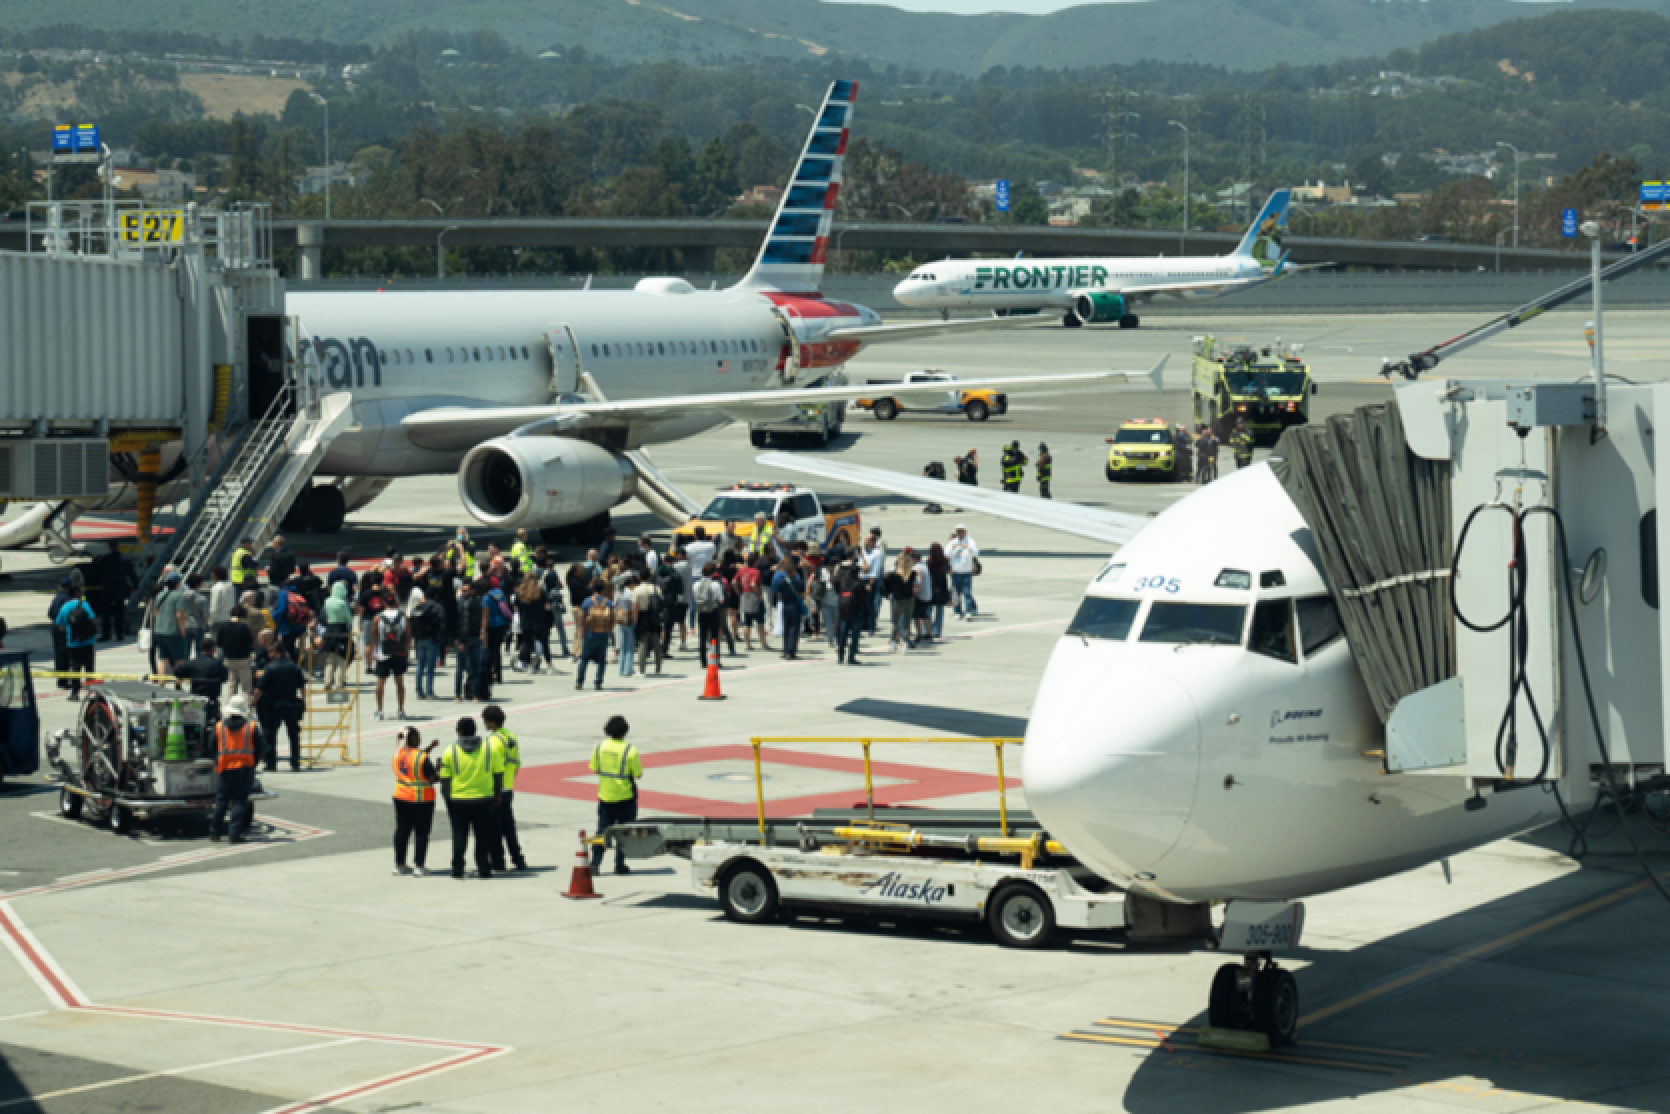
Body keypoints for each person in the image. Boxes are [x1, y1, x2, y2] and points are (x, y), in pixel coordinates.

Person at [437, 716, 504, 880]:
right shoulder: (490, 748)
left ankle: (458, 869)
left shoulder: (450, 750)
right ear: (475, 730)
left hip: (458, 800)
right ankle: (483, 868)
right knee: (483, 836)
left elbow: (445, 780)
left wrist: (448, 799)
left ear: (460, 732)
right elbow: (498, 774)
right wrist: (497, 794)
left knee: (459, 835)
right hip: (484, 800)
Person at [588, 715, 642, 875]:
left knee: (601, 831)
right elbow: (638, 774)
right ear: (625, 732)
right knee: (624, 832)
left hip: (605, 796)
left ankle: (595, 864)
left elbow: (594, 768)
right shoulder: (630, 750)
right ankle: (619, 865)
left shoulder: (598, 747)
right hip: (626, 797)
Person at [208, 694, 261, 844]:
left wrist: (218, 758)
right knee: (239, 802)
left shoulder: (218, 727)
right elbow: (262, 748)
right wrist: (253, 762)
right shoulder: (251, 727)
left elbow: (211, 746)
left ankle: (214, 833)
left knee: (221, 801)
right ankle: (234, 835)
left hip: (225, 769)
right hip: (245, 769)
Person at [482, 705, 527, 873]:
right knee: (509, 827)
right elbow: (517, 763)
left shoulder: (492, 741)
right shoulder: (510, 737)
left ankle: (498, 861)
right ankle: (518, 859)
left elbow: (492, 767)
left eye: (485, 721)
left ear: (491, 722)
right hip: (509, 786)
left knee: (495, 828)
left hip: (496, 789)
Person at [391, 726, 440, 876]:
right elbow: (431, 778)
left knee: (402, 830)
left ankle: (399, 865)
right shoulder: (422, 757)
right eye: (417, 736)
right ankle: (419, 866)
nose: (419, 738)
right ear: (411, 738)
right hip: (420, 799)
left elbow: (413, 758)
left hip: (400, 796)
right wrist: (438, 770)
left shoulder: (398, 753)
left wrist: (430, 747)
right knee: (421, 832)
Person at [252, 646, 306, 772]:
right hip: (291, 704)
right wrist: (304, 702)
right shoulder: (294, 666)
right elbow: (302, 686)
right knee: (293, 735)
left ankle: (271, 764)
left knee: (271, 734)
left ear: (276, 652)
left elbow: (259, 689)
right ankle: (295, 763)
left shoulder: (269, 668)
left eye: (271, 651)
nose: (269, 654)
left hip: (273, 705)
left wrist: (253, 702)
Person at [372, 598, 411, 720]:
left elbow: (374, 637)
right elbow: (408, 636)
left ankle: (379, 712)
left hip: (383, 654)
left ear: (384, 603)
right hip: (399, 654)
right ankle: (400, 711)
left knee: (380, 685)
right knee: (399, 683)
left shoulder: (378, 617)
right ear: (395, 603)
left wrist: (375, 625)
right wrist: (406, 652)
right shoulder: (404, 616)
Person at [56, 585, 97, 697]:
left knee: (75, 667)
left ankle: (74, 692)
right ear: (78, 593)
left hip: (73, 643)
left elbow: (59, 625)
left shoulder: (65, 607)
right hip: (88, 641)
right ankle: (91, 691)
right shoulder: (84, 604)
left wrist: (70, 629)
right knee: (89, 667)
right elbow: (93, 619)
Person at [174, 636, 229, 719]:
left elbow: (177, 671)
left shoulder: (193, 663)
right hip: (212, 699)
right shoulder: (218, 664)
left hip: (196, 699)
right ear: (212, 649)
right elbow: (225, 678)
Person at [576, 580, 615, 690]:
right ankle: (598, 683)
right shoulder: (608, 602)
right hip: (603, 634)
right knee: (602, 660)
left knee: (584, 659)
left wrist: (583, 631)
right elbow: (613, 619)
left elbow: (582, 618)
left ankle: (579, 682)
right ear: (603, 589)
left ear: (593, 589)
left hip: (589, 634)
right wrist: (609, 631)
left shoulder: (587, 601)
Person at [94, 542, 135, 642]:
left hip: (108, 589)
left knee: (106, 614)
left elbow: (98, 571)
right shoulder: (125, 559)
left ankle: (106, 635)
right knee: (119, 614)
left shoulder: (105, 559)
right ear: (118, 547)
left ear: (109, 547)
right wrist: (136, 586)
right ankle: (119, 635)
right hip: (120, 589)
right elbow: (132, 574)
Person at [409, 588, 445, 700]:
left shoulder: (418, 607)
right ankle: (429, 692)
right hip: (432, 639)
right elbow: (442, 624)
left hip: (419, 639)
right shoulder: (437, 607)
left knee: (420, 664)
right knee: (430, 666)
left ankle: (419, 692)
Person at [454, 581, 487, 702]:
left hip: (466, 638)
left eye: (466, 590)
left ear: (472, 590)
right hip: (476, 638)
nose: (464, 592)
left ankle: (457, 694)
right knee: (475, 667)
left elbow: (465, 624)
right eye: (463, 590)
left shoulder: (466, 604)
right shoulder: (479, 603)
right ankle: (475, 694)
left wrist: (461, 641)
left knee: (460, 667)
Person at [152, 571, 190, 674]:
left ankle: (161, 684)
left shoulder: (159, 595)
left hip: (159, 631)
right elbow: (179, 615)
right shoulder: (179, 596)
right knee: (179, 659)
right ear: (177, 583)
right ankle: (178, 685)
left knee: (163, 659)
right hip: (174, 632)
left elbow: (155, 614)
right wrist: (183, 630)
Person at [319, 581, 354, 689]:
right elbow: (349, 619)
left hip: (329, 630)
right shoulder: (342, 603)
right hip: (341, 630)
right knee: (340, 658)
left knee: (330, 658)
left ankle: (327, 682)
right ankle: (338, 683)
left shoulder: (327, 601)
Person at [692, 563, 727, 669]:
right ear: (713, 573)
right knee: (714, 637)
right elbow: (721, 600)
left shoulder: (696, 584)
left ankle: (703, 661)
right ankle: (714, 660)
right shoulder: (715, 584)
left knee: (702, 637)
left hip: (701, 612)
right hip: (713, 612)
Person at [217, 605, 257, 696]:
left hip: (229, 658)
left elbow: (219, 643)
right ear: (242, 616)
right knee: (246, 686)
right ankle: (246, 707)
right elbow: (249, 643)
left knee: (231, 683)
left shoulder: (223, 626)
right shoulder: (244, 627)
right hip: (243, 658)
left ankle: (231, 705)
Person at [773, 556, 806, 660]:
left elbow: (779, 595)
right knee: (794, 629)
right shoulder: (799, 582)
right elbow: (803, 596)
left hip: (785, 606)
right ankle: (791, 652)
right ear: (794, 570)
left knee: (786, 629)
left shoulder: (781, 583)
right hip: (795, 607)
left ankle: (786, 649)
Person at [632, 571, 665, 675]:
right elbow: (661, 606)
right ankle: (658, 669)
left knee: (642, 644)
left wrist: (635, 623)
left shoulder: (637, 590)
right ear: (649, 577)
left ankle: (642, 670)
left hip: (642, 617)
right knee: (657, 645)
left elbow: (635, 608)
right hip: (655, 618)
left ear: (639, 577)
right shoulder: (657, 588)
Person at [683, 528, 716, 627]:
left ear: (695, 535)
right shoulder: (711, 545)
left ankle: (692, 627)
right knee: (707, 599)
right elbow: (714, 556)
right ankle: (707, 623)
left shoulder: (689, 546)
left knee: (692, 602)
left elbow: (687, 560)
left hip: (693, 575)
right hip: (707, 575)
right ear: (704, 534)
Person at [886, 553, 917, 651]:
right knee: (907, 623)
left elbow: (885, 579)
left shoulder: (894, 574)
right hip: (909, 599)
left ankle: (894, 642)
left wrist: (889, 591)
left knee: (895, 622)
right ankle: (905, 642)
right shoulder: (912, 573)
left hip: (898, 600)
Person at [948, 525, 980, 619]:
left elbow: (976, 553)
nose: (959, 533)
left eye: (961, 531)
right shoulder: (953, 542)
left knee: (967, 593)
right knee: (956, 593)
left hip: (966, 571)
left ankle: (968, 612)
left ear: (965, 531)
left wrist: (967, 547)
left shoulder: (971, 541)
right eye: (958, 531)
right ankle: (957, 612)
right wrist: (955, 549)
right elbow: (947, 553)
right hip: (955, 571)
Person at [46, 578, 72, 687]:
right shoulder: (67, 599)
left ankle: (60, 680)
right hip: (63, 628)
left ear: (60, 586)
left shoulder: (56, 598)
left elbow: (50, 613)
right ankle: (63, 681)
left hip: (54, 627)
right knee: (64, 655)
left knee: (58, 654)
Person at [613, 572, 639, 678]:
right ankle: (628, 669)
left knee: (623, 645)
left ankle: (621, 669)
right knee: (630, 646)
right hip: (629, 620)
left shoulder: (620, 592)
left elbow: (616, 605)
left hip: (621, 619)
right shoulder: (631, 593)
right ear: (631, 583)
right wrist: (635, 619)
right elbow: (633, 608)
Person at [860, 530, 885, 634]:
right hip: (861, 580)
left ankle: (871, 627)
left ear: (872, 542)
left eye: (866, 541)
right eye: (864, 540)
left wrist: (870, 584)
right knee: (861, 604)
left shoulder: (877, 554)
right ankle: (863, 625)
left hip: (870, 580)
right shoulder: (862, 552)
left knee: (870, 604)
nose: (864, 542)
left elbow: (875, 571)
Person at [927, 543, 951, 640]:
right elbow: (948, 571)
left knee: (928, 609)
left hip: (932, 588)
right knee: (940, 610)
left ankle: (928, 629)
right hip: (942, 588)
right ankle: (937, 631)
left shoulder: (929, 561)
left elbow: (929, 575)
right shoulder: (945, 561)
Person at [206, 565, 236, 631]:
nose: (211, 575)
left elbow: (214, 607)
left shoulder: (216, 588)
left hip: (218, 620)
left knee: (217, 640)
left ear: (217, 575)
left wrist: (210, 621)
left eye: (212, 573)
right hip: (229, 618)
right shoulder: (231, 586)